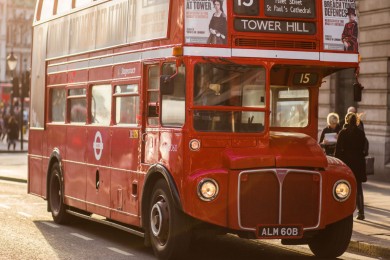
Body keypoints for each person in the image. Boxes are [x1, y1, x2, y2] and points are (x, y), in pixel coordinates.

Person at [335, 112, 367, 220]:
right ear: (357, 121)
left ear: (346, 121)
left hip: (346, 164)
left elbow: (338, 151)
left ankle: (345, 212)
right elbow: (364, 149)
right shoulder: (361, 133)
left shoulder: (343, 133)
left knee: (344, 187)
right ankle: (361, 212)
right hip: (358, 163)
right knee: (358, 188)